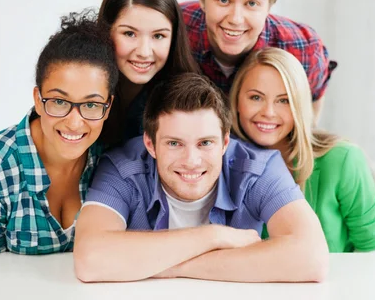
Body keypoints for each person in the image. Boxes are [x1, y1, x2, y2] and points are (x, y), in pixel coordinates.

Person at [73, 73, 328, 283]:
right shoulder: (122, 167)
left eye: (205, 143)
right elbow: (89, 259)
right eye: (174, 143)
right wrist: (213, 236)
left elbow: (312, 257)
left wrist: (167, 267)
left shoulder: (259, 169)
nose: (191, 161)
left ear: (225, 142)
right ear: (150, 144)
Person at [0, 12, 119, 254]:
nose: (75, 123)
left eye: (91, 105)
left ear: (108, 108)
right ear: (38, 101)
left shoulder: (112, 163)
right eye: (59, 102)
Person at [229, 47, 375, 253]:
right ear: (237, 101)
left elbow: (373, 251)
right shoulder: (221, 163)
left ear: (300, 105)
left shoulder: (342, 160)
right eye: (256, 97)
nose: (268, 112)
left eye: (283, 101)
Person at [181, 0, 335, 122]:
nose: (236, 19)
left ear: (269, 6)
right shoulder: (173, 28)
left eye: (252, 3)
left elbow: (310, 111)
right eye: (223, 0)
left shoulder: (303, 48)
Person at [97, 0, 200, 147]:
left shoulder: (188, 99)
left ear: (173, 38)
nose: (144, 52)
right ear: (107, 31)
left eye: (158, 36)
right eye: (129, 33)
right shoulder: (83, 82)